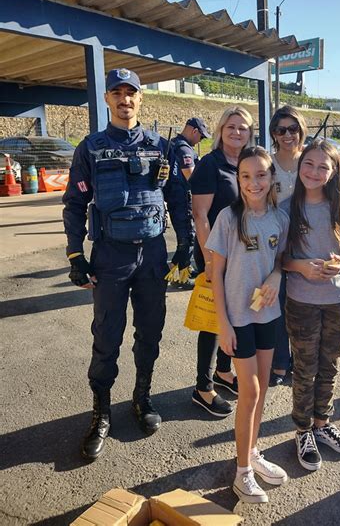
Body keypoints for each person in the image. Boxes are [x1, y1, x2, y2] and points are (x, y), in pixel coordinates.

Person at [63, 68, 193, 460]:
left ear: (140, 99)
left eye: (131, 93)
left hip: (152, 254)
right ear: (107, 100)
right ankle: (101, 411)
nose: (125, 100)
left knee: (150, 331)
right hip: (110, 257)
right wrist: (75, 255)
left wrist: (184, 245)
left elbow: (178, 198)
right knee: (107, 336)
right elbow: (73, 204)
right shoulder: (91, 147)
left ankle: (142, 398)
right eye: (117, 93)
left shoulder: (159, 146)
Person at [207, 146, 290, 503]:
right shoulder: (228, 217)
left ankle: (253, 453)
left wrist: (274, 276)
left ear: (272, 178)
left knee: (264, 387)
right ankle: (242, 473)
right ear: (238, 179)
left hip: (267, 316)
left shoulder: (279, 218)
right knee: (250, 392)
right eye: (245, 176)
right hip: (238, 319)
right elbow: (216, 273)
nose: (253, 183)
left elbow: (281, 258)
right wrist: (222, 325)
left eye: (260, 175)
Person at [282, 139, 340, 472]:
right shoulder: (287, 207)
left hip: (339, 300)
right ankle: (302, 430)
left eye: (323, 167)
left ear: (334, 172)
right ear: (300, 165)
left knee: (329, 366)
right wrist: (300, 266)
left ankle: (322, 424)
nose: (314, 172)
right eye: (309, 164)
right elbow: (278, 258)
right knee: (304, 369)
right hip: (301, 301)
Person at [190, 105, 254, 417]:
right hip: (217, 255)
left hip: (244, 255)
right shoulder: (209, 164)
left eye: (243, 127)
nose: (237, 132)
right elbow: (200, 215)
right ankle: (203, 387)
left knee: (237, 314)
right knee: (214, 321)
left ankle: (224, 372)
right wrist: (209, 260)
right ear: (220, 130)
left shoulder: (250, 163)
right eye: (231, 126)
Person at [268, 105, 308, 386]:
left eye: (293, 129)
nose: (287, 135)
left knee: (304, 304)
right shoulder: (267, 164)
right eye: (281, 130)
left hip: (309, 242)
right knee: (279, 304)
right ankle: (281, 361)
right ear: (274, 133)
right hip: (276, 244)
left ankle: (303, 361)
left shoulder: (311, 160)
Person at [168, 117, 212, 287]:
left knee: (185, 237)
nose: (200, 141)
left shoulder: (173, 143)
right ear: (194, 131)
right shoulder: (184, 149)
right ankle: (179, 277)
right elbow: (191, 177)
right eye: (201, 137)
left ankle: (183, 268)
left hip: (175, 197)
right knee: (187, 238)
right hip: (181, 199)